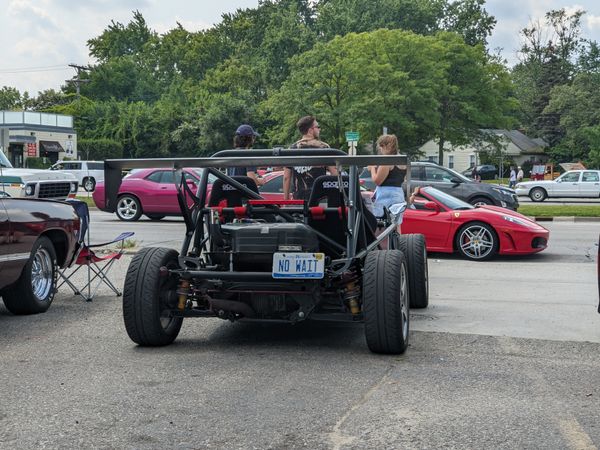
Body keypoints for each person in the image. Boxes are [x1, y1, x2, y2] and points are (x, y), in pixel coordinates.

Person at [283, 116, 337, 201]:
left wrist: (285, 201)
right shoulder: (323, 147)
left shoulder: (291, 149)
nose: (320, 129)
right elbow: (335, 174)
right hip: (319, 198)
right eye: (317, 127)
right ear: (310, 130)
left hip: (299, 199)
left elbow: (286, 177)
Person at [367, 134, 407, 224]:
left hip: (386, 195)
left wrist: (372, 168)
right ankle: (398, 238)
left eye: (381, 147)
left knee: (382, 223)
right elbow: (404, 178)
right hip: (398, 194)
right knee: (396, 224)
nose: (380, 150)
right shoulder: (402, 159)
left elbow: (377, 181)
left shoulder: (387, 161)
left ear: (385, 146)